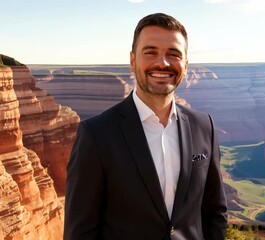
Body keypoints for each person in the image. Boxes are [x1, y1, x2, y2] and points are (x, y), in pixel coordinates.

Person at [64, 13, 227, 240]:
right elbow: (80, 232)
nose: (163, 63)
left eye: (174, 54)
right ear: (133, 61)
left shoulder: (204, 126)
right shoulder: (96, 135)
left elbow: (214, 212)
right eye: (150, 52)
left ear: (186, 65)